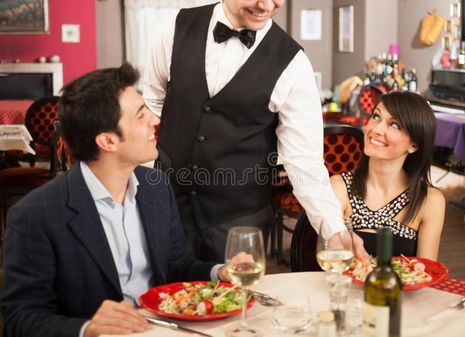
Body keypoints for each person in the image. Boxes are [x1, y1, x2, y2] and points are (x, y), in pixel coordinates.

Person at [0, 63, 237, 337]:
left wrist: (219, 272)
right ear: (108, 141)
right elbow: (20, 319)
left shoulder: (155, 186)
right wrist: (87, 328)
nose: (155, 120)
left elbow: (174, 265)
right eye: (140, 116)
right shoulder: (35, 215)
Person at [143, 0, 354, 261]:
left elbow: (303, 159)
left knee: (236, 300)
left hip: (240, 222)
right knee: (164, 297)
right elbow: (152, 107)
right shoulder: (174, 27)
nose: (266, 4)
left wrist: (334, 229)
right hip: (168, 207)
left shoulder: (294, 63)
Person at [330, 91, 445, 260]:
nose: (376, 129)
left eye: (395, 125)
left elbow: (426, 272)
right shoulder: (339, 187)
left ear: (414, 144)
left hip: (402, 287)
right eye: (376, 116)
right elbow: (332, 265)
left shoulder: (429, 200)